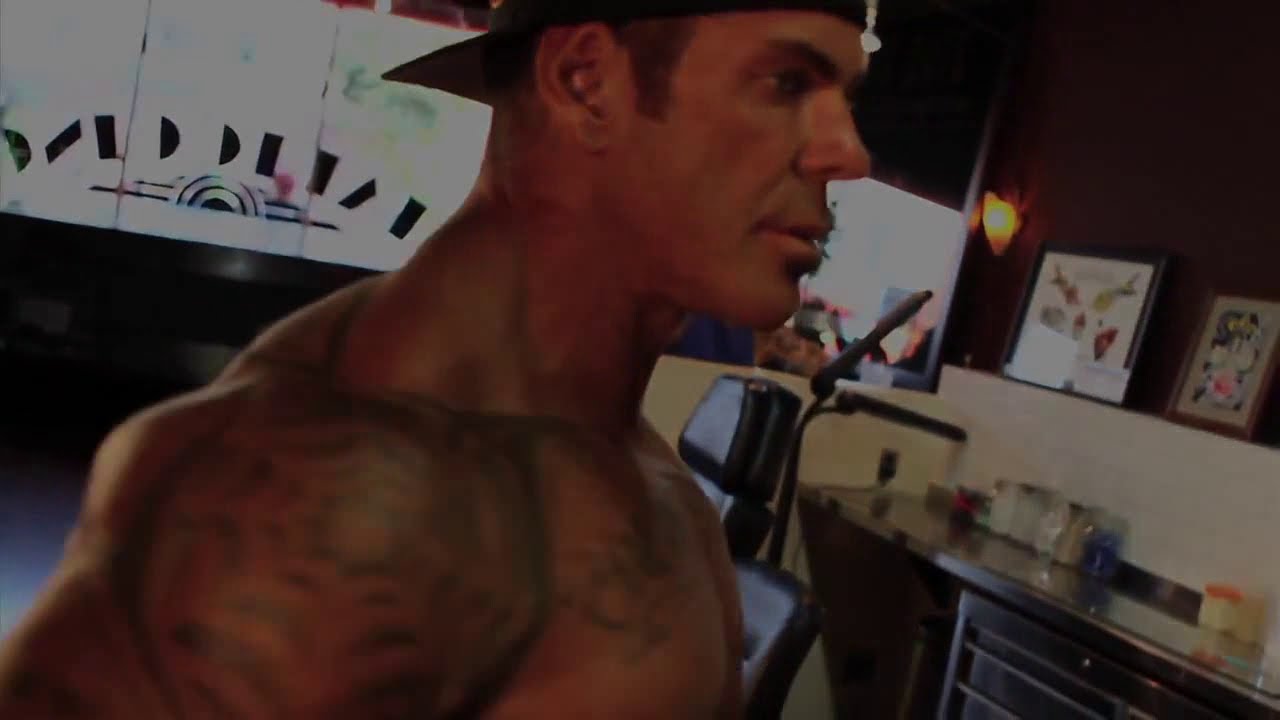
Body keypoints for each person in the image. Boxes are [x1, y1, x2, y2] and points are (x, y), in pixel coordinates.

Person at [0, 0, 871, 716]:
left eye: (843, 96)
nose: (848, 152)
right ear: (586, 81)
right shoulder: (330, 491)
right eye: (786, 82)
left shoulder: (632, 463)